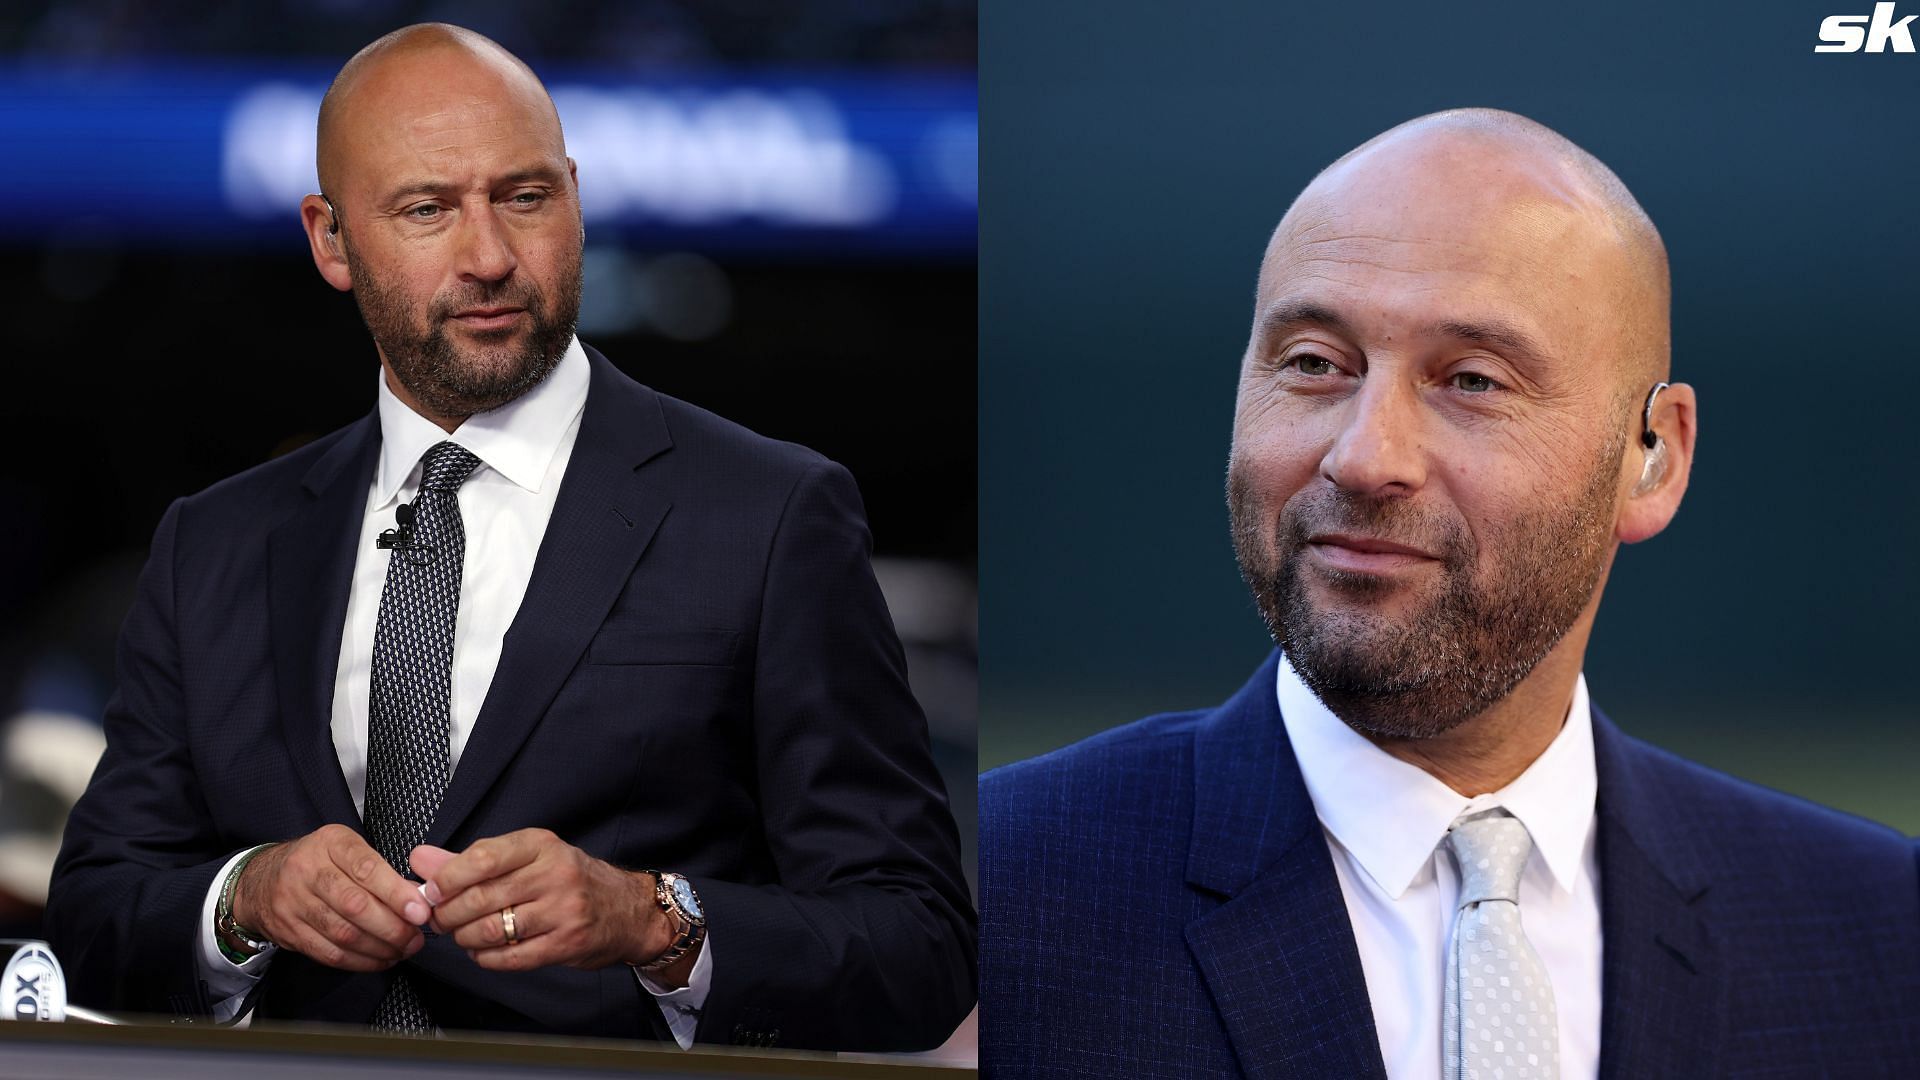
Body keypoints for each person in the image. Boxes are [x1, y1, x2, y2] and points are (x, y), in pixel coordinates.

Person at [46, 23, 973, 1051]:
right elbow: (92, 920)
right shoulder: (214, 544)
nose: (488, 257)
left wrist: (653, 921)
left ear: (574, 198)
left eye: (525, 199)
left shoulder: (771, 514)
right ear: (332, 240)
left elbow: (919, 943)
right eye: (427, 209)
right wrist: (244, 900)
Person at [978, 109, 1920, 1077]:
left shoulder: (1876, 935)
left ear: (1655, 456)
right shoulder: (1010, 897)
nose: (1363, 456)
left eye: (1471, 381)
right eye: (1313, 364)